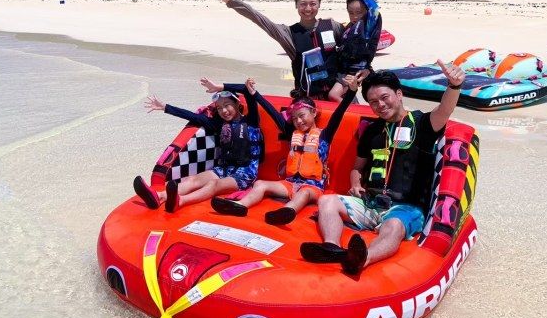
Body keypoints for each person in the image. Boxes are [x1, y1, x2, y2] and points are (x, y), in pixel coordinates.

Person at [300, 62, 466, 276]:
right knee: (327, 201)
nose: (380, 105)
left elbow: (444, 109)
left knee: (394, 226)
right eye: (373, 102)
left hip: (405, 208)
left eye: (384, 97)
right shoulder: (371, 131)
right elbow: (357, 167)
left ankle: (362, 258)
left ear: (399, 94)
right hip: (370, 203)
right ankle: (331, 248)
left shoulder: (423, 124)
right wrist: (355, 184)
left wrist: (454, 86)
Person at [204, 74, 363, 225]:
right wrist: (255, 94)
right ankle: (240, 206)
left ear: (314, 112)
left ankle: (286, 211)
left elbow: (339, 113)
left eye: (302, 116)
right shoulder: (292, 133)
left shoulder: (325, 135)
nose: (298, 121)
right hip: (289, 184)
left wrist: (352, 91)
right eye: (294, 118)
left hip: (313, 187)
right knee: (260, 184)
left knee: (304, 193)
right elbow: (273, 113)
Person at [133, 78, 268, 213]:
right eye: (219, 108)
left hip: (245, 174)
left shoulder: (251, 121)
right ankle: (159, 196)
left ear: (237, 103)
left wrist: (220, 87)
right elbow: (192, 116)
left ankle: (181, 201)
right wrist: (165, 107)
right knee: (193, 179)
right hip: (223, 169)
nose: (224, 111)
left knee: (214, 184)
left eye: (227, 105)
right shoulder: (219, 124)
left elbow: (246, 90)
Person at [213, 0, 345, 101]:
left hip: (338, 97)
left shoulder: (332, 26)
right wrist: (229, 0)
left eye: (313, 3)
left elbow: (352, 45)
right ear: (296, 4)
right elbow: (258, 18)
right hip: (308, 102)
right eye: (303, 4)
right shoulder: (288, 34)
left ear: (319, 4)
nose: (308, 8)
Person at [326, 0, 382, 101]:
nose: (354, 16)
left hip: (354, 72)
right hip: (344, 70)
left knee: (333, 95)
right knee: (346, 95)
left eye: (359, 12)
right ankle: (354, 106)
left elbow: (375, 9)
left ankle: (348, 109)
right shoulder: (350, 28)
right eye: (351, 13)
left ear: (366, 12)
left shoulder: (367, 27)